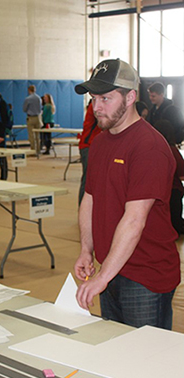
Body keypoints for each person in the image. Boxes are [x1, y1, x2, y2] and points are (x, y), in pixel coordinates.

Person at [73, 59, 180, 330]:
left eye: (106, 98)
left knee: (144, 364)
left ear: (130, 97)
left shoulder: (148, 146)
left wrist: (102, 277)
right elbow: (90, 199)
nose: (96, 107)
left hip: (145, 277)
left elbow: (135, 219)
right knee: (115, 357)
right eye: (93, 98)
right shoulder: (99, 143)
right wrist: (87, 249)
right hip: (111, 268)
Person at [154, 119, 184, 235]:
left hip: (157, 192)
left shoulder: (151, 149)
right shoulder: (171, 150)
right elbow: (182, 174)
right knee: (176, 225)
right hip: (173, 192)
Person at [78, 100, 102, 205]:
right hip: (88, 146)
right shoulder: (96, 106)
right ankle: (82, 211)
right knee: (88, 180)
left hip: (94, 146)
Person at [23, 85, 42, 151]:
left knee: (31, 135)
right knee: (38, 135)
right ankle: (38, 149)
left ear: (29, 90)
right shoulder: (39, 98)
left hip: (30, 117)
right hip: (38, 117)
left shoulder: (28, 99)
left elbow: (24, 109)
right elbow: (40, 109)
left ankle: (33, 150)